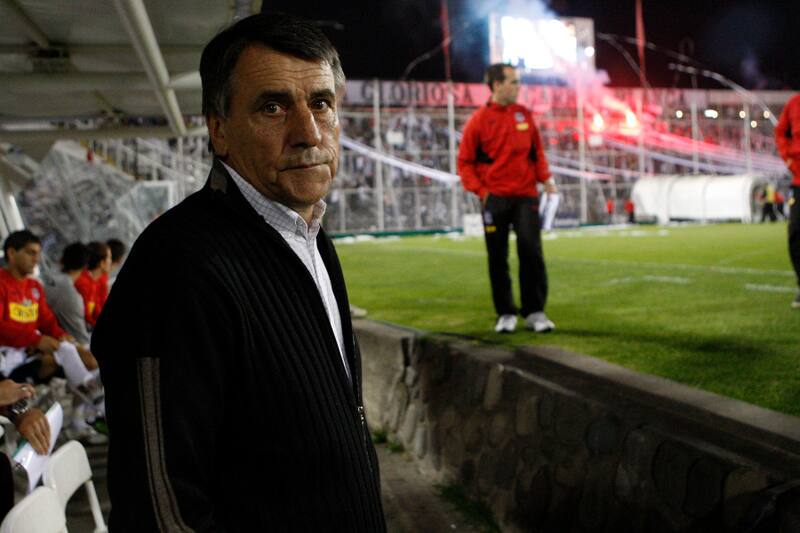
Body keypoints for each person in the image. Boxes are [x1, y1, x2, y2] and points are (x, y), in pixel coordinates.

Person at [91, 12, 385, 532]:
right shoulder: (176, 268)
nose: (308, 132)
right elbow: (162, 511)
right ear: (219, 131)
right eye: (273, 107)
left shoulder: (310, 234)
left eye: (321, 103)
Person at [457, 63, 557, 333]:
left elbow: (537, 154)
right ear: (497, 85)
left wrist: (546, 179)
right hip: (495, 199)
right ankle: (505, 313)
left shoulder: (524, 115)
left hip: (526, 196)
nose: (518, 86)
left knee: (531, 251)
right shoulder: (478, 120)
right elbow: (464, 162)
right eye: (513, 81)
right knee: (497, 257)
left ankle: (535, 311)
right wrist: (483, 192)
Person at [0, 230, 98, 389]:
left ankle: (88, 391)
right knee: (68, 357)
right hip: (9, 354)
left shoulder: (34, 286)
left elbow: (47, 322)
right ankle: (87, 389)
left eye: (38, 254)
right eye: (31, 253)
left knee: (85, 356)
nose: (36, 259)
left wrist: (63, 336)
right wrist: (36, 340)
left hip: (31, 349)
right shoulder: (2, 283)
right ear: (11, 253)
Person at [775, 94, 800, 308]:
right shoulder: (794, 103)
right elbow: (780, 132)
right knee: (796, 234)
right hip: (799, 182)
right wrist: (788, 158)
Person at [73, 242, 111, 327]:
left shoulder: (94, 282)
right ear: (102, 263)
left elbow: (97, 310)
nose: (110, 262)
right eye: (109, 258)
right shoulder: (83, 282)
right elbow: (84, 316)